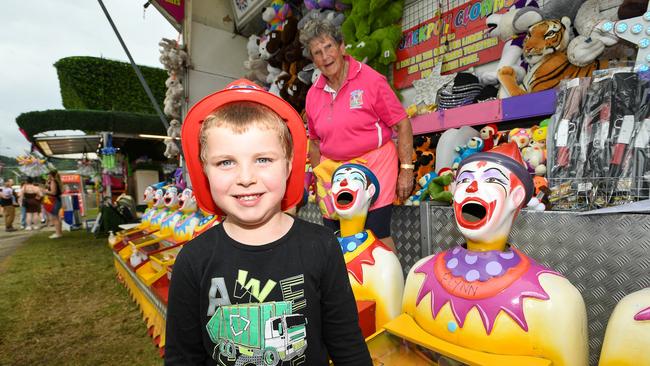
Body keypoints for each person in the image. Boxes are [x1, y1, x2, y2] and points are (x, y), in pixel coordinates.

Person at [165, 79, 372, 366]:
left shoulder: (321, 246)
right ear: (205, 171)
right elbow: (183, 358)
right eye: (226, 162)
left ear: (288, 165)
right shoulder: (193, 260)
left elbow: (347, 344)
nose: (246, 177)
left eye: (263, 159)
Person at [300, 19, 414, 252]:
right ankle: (347, 287)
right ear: (314, 61)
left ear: (342, 47)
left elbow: (402, 124)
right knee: (335, 236)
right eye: (317, 53)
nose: (325, 56)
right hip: (333, 170)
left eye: (329, 47)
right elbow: (314, 142)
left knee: (376, 235)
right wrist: (320, 178)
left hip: (375, 165)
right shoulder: (313, 95)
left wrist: (406, 170)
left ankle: (386, 287)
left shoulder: (371, 80)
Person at [43, 170, 63, 239]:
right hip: (57, 200)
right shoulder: (55, 181)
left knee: (55, 218)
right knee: (56, 217)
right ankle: (59, 232)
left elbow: (53, 192)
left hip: (54, 201)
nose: (47, 176)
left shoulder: (53, 181)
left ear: (51, 175)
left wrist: (45, 191)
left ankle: (58, 233)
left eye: (48, 174)